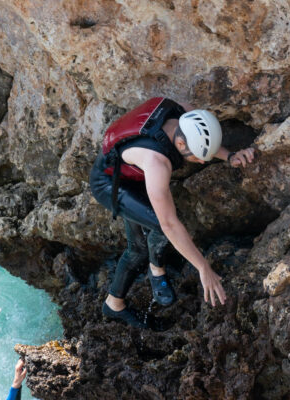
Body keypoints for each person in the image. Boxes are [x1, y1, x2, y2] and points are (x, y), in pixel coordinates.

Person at [90, 97, 255, 328]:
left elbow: (203, 138)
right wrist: (203, 268)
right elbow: (169, 224)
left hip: (135, 172)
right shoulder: (157, 163)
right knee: (152, 233)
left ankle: (118, 300)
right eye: (197, 156)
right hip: (110, 184)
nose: (199, 161)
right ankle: (148, 278)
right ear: (179, 145)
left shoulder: (184, 114)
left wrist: (229, 156)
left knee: (143, 242)